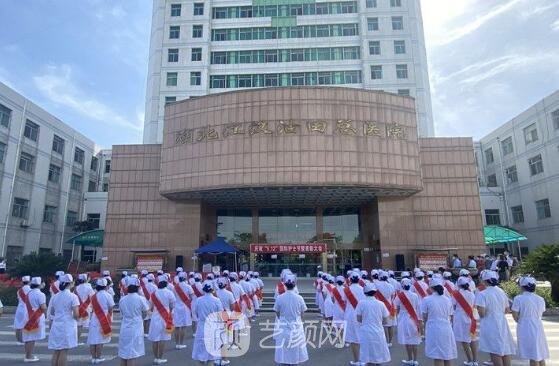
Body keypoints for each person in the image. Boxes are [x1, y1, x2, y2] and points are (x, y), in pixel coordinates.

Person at [475, 270, 515, 366]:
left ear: (485, 281)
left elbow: (482, 313)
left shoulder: (482, 294)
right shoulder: (501, 291)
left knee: (494, 350)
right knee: (505, 349)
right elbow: (507, 310)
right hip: (502, 322)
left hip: (490, 323)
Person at [511, 276, 549, 366]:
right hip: (538, 325)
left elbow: (515, 315)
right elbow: (541, 312)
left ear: (522, 286)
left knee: (533, 354)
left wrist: (521, 320)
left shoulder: (518, 298)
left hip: (525, 326)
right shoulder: (540, 299)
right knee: (539, 353)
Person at [273, 274, 308, 366]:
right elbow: (303, 312)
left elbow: (277, 312)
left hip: (283, 324)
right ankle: (294, 362)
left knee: (284, 345)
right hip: (296, 324)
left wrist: (282, 318)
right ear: (294, 285)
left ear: (285, 285)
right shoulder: (299, 298)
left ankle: (285, 362)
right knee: (295, 346)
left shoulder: (280, 298)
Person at [421, 277, 457, 366]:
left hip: (434, 328)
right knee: (447, 355)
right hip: (447, 328)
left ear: (431, 288)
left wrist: (424, 328)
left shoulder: (427, 300)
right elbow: (451, 315)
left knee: (438, 356)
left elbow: (425, 317)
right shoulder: (447, 300)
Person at [356, 282, 391, 366]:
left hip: (366, 332)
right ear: (375, 292)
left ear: (364, 292)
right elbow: (386, 320)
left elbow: (359, 319)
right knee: (378, 356)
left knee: (369, 356)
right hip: (378, 331)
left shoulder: (361, 303)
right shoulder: (381, 304)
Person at [48, 274, 80, 366]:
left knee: (56, 351)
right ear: (70, 283)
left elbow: (53, 312)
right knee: (64, 350)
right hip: (67, 325)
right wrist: (77, 319)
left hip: (56, 324)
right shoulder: (73, 297)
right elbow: (76, 314)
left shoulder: (55, 296)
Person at [192, 280, 225, 366]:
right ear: (212, 289)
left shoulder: (198, 300)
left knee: (201, 357)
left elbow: (195, 313)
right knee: (211, 358)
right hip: (213, 328)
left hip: (201, 328)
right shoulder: (217, 300)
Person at [119, 276, 149, 366]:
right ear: (137, 287)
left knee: (124, 354)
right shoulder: (140, 299)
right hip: (135, 326)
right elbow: (145, 312)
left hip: (125, 326)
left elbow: (122, 314)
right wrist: (140, 317)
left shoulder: (122, 299)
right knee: (132, 354)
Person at [148, 275, 176, 365]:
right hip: (165, 317)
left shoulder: (153, 293)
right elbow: (172, 306)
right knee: (162, 339)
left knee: (155, 339)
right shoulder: (169, 293)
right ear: (166, 283)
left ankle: (156, 358)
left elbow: (151, 307)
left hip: (155, 317)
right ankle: (160, 358)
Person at [394, 278, 422, 366]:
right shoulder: (415, 295)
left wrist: (398, 316)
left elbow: (397, 307)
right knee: (414, 340)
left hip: (404, 319)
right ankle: (415, 360)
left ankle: (410, 359)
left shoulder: (399, 295)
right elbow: (418, 307)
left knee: (407, 341)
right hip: (414, 319)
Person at [452, 277, 479, 366]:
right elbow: (474, 305)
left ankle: (469, 360)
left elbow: (454, 306)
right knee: (472, 339)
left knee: (464, 340)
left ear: (459, 285)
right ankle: (475, 360)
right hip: (471, 317)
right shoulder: (472, 294)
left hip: (460, 318)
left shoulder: (456, 294)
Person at [87, 278, 115, 364]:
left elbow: (92, 308)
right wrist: (109, 317)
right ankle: (98, 357)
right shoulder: (108, 295)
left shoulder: (93, 296)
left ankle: (93, 358)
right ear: (106, 286)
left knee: (93, 338)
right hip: (104, 318)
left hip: (94, 318)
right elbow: (111, 307)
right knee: (100, 339)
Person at [22, 277, 47, 363]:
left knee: (28, 338)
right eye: (43, 282)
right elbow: (43, 307)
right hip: (36, 318)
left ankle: (27, 355)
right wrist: (46, 315)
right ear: (39, 284)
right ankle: (29, 356)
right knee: (32, 338)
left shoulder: (29, 293)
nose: (44, 284)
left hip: (28, 316)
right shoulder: (41, 294)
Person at [344, 271, 365, 365]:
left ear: (350, 279)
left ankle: (357, 361)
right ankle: (364, 359)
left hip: (350, 315)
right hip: (361, 315)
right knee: (362, 337)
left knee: (353, 339)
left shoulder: (347, 289)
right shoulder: (363, 289)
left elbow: (344, 301)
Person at [172, 271, 194, 350]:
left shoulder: (175, 287)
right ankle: (181, 343)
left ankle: (177, 343)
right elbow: (191, 298)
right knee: (183, 326)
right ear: (185, 277)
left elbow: (173, 297)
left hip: (176, 307)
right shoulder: (188, 286)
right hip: (185, 307)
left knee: (177, 326)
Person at [376, 270, 396, 346]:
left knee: (383, 325)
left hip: (380, 307)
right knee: (391, 325)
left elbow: (375, 296)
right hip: (391, 307)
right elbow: (393, 296)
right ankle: (390, 342)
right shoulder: (391, 286)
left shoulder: (376, 285)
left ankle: (385, 341)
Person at [75, 273, 95, 346]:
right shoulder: (89, 288)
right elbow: (92, 298)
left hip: (77, 308)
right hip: (86, 308)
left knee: (78, 325)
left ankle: (76, 340)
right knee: (86, 325)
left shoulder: (76, 288)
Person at [14, 275, 31, 345]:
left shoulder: (19, 291)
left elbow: (19, 299)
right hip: (27, 309)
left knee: (18, 325)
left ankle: (18, 340)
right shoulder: (31, 290)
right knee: (25, 326)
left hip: (19, 309)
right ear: (29, 281)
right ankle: (25, 340)